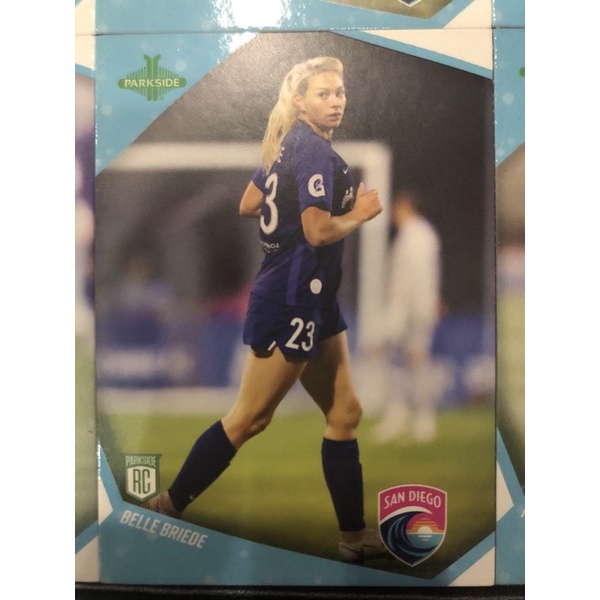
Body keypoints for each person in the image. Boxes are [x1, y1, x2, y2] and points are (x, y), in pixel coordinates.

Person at [144, 56, 386, 563]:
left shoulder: (289, 145)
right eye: (323, 93)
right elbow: (318, 231)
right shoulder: (312, 150)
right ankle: (165, 506)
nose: (335, 101)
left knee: (345, 412)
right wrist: (358, 214)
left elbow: (250, 203)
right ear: (299, 101)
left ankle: (353, 537)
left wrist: (289, 217)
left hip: (315, 297)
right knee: (250, 418)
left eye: (340, 92)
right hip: (292, 296)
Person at [371, 190, 443, 444]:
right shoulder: (414, 234)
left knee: (415, 360)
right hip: (408, 307)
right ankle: (398, 413)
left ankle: (422, 417)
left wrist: (405, 313)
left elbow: (417, 277)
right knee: (397, 360)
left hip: (412, 309)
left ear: (406, 207)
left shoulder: (418, 235)